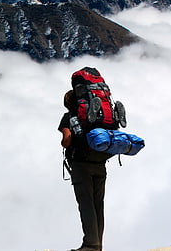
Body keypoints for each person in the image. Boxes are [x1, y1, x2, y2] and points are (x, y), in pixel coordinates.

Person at [59, 89, 112, 251]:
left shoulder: (69, 117)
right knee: (98, 205)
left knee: (86, 204)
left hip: (81, 165)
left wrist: (65, 141)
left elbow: (67, 140)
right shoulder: (96, 118)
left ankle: (90, 245)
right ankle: (98, 244)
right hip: (100, 162)